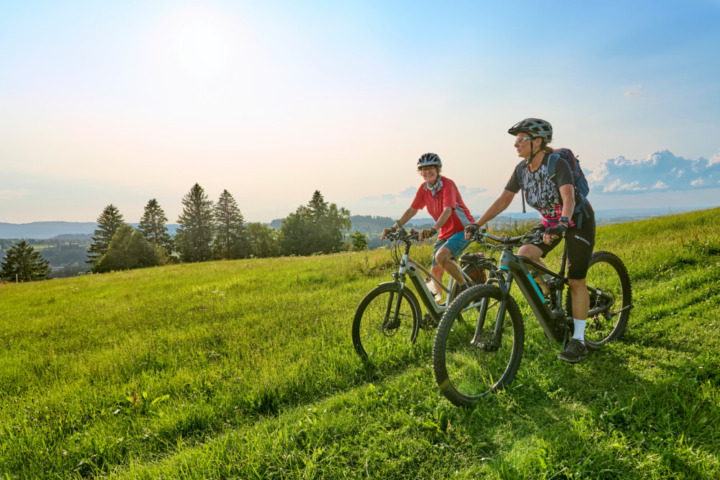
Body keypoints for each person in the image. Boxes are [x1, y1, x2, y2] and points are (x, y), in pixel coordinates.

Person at [465, 118, 595, 363]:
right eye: (515, 140)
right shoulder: (521, 170)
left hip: (577, 220)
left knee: (576, 279)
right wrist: (477, 223)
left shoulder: (557, 163)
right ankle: (551, 293)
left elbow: (568, 198)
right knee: (524, 256)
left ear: (537, 142)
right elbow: (503, 200)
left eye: (520, 140)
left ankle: (578, 341)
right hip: (549, 222)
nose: (515, 145)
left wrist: (563, 223)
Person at [382, 153, 476, 301]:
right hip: (445, 232)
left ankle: (467, 292)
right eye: (424, 169)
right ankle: (438, 311)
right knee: (434, 273)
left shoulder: (447, 184)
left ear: (437, 169)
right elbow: (412, 210)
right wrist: (393, 228)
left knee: (441, 257)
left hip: (463, 230)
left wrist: (433, 229)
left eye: (431, 168)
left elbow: (448, 210)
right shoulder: (424, 189)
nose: (427, 172)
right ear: (421, 172)